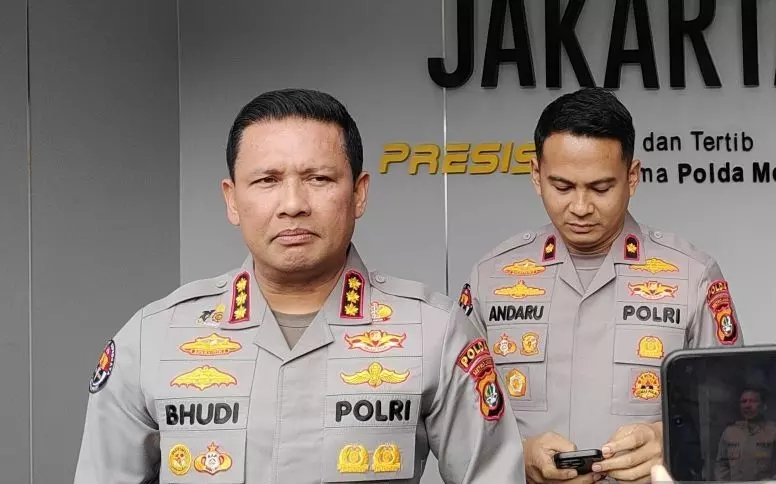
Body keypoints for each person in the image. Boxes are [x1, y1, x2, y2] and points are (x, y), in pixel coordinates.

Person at [73, 88, 527, 483]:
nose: (293, 204)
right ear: (232, 199)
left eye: (319, 179)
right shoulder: (152, 339)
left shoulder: (436, 333)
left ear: (359, 193)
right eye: (267, 180)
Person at [458, 87, 745, 483]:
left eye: (600, 188)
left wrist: (676, 442)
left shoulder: (692, 277)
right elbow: (457, 418)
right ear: (536, 175)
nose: (580, 207)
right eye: (562, 187)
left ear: (632, 176)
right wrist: (517, 456)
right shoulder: (493, 277)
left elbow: (736, 412)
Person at [714, 387, 776, 480]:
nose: (747, 405)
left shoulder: (773, 432)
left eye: (753, 401)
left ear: (764, 406)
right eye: (744, 401)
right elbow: (722, 465)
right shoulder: (730, 433)